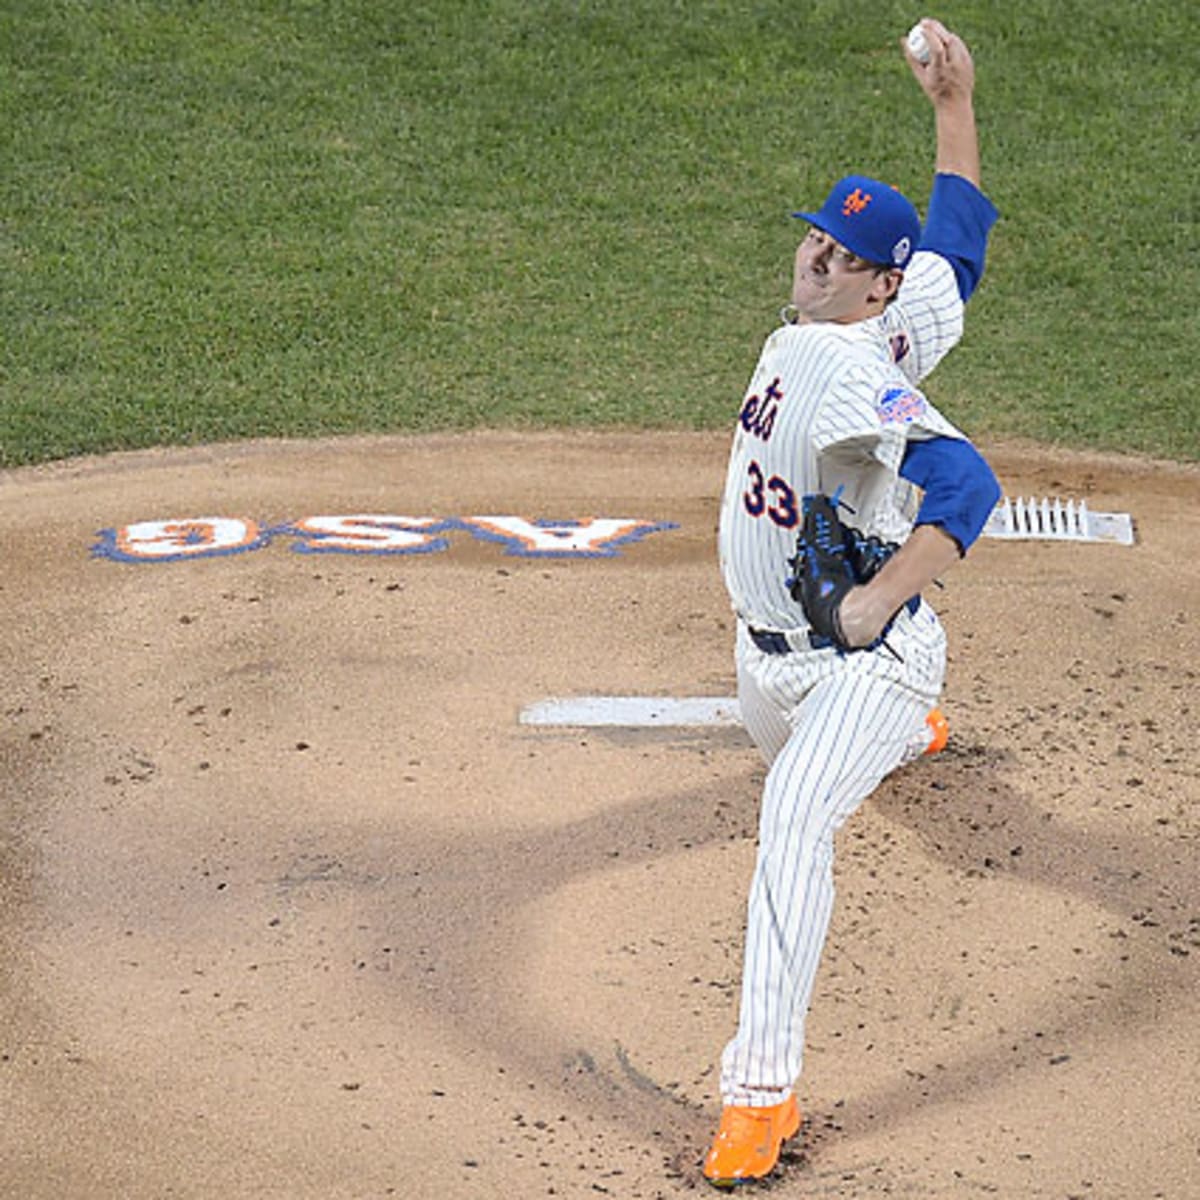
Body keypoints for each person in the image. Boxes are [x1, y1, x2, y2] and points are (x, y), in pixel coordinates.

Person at [703, 19, 1002, 1188]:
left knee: (791, 828)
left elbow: (965, 481)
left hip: (859, 661)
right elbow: (962, 246)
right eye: (813, 243)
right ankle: (903, 735)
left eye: (839, 257)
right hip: (766, 667)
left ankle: (757, 1100)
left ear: (873, 282)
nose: (813, 264)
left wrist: (880, 597)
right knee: (784, 750)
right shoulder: (891, 318)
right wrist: (954, 103)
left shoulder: (843, 364)